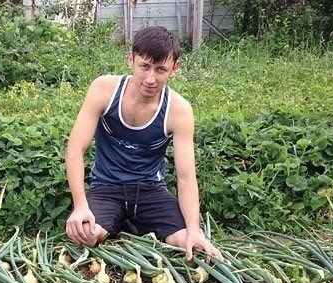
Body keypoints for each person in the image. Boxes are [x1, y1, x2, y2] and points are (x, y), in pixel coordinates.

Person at [64, 25, 222, 261]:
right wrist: (80, 206)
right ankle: (117, 223)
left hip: (150, 191)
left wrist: (195, 229)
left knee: (190, 244)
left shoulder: (178, 110)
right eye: (144, 66)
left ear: (174, 69)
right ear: (131, 60)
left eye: (161, 70)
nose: (150, 78)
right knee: (86, 235)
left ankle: (135, 224)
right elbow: (76, 149)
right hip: (107, 188)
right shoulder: (104, 90)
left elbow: (186, 176)